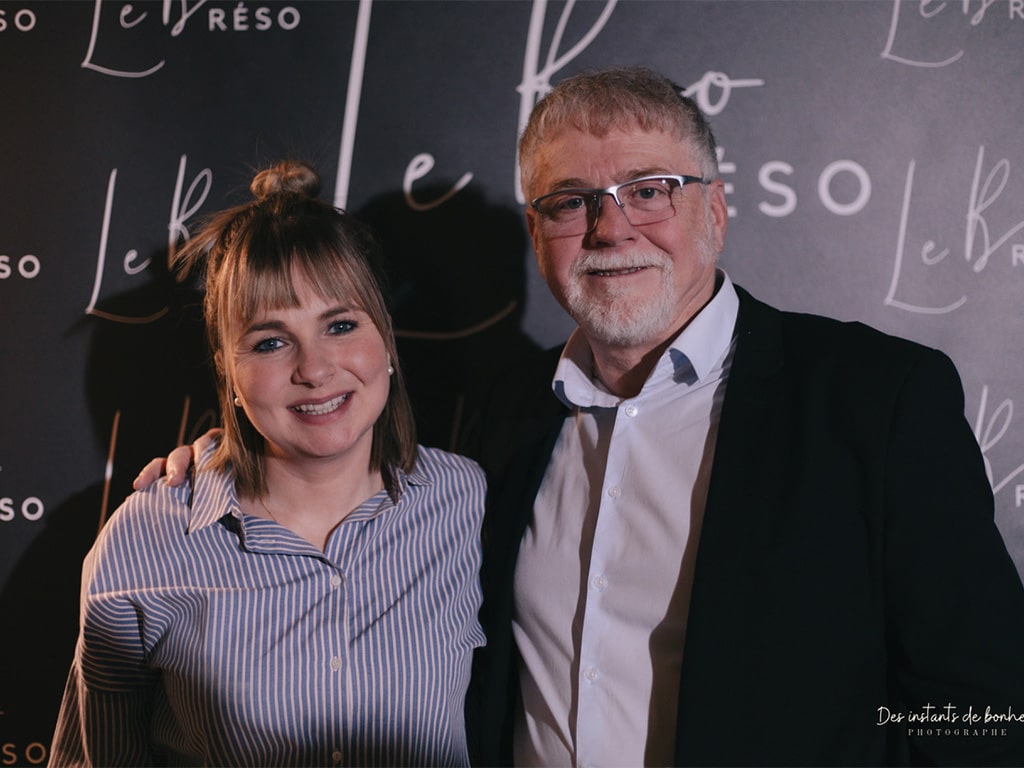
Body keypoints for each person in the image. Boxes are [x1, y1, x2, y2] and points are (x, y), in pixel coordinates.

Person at [140, 70, 1024, 766]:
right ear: (538, 233)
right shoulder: (495, 416)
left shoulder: (876, 399)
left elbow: (985, 706)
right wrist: (226, 460)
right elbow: (330, 457)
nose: (610, 227)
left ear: (714, 210)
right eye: (571, 202)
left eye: (651, 189)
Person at [50, 161, 486, 767]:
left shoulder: (464, 502)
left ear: (385, 339)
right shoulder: (143, 541)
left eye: (340, 325)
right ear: (229, 373)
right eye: (270, 342)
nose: (314, 368)